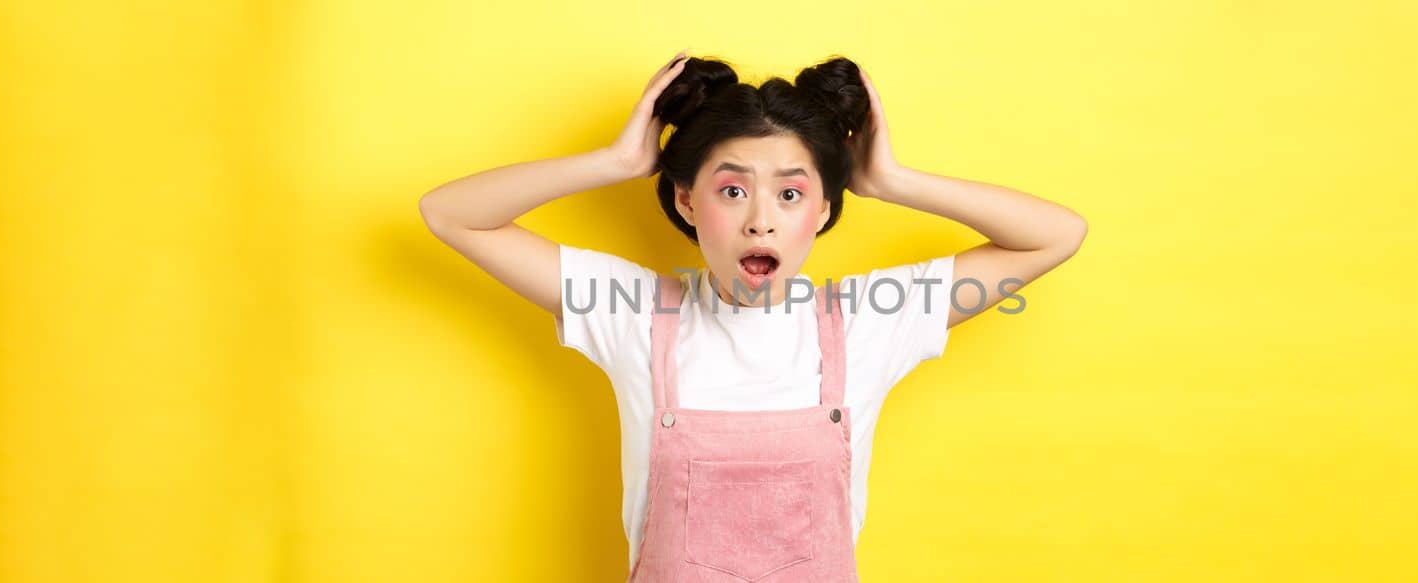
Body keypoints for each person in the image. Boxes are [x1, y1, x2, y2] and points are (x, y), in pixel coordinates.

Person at [418, 49, 1088, 581]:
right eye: (732, 189)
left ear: (824, 210)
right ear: (685, 202)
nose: (761, 219)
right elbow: (449, 214)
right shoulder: (632, 311)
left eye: (792, 193)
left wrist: (892, 180)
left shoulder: (868, 320)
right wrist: (616, 161)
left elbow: (1055, 233)